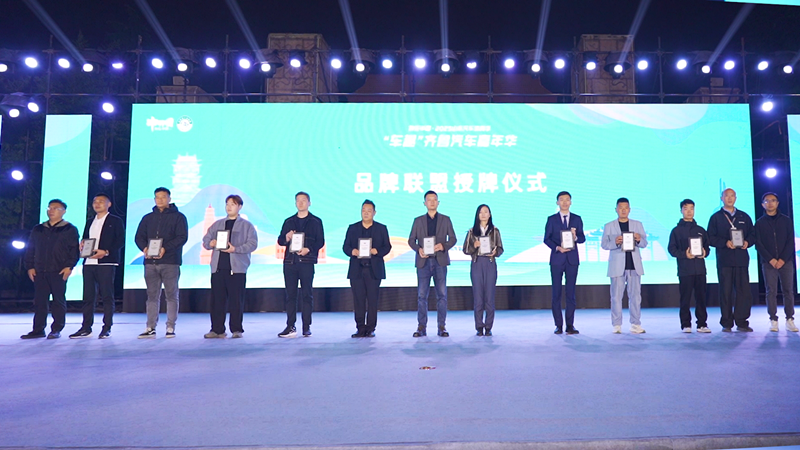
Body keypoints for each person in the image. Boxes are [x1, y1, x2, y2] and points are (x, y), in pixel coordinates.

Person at [20, 199, 80, 340]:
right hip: (40, 270)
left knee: (58, 301)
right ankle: (38, 329)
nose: (51, 210)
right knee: (40, 301)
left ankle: (56, 329)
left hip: (59, 270)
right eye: (49, 208)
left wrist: (69, 266)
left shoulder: (69, 229)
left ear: (63, 211)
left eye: (55, 208)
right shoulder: (39, 229)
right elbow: (31, 248)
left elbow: (74, 250)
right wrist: (30, 266)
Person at [134, 187, 188, 338]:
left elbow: (182, 237)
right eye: (157, 197)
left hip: (170, 262)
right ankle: (150, 327)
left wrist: (165, 248)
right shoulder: (148, 218)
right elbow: (139, 237)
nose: (160, 200)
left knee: (171, 295)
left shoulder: (179, 217)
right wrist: (144, 248)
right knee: (152, 296)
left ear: (169, 199)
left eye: (163, 197)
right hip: (150, 263)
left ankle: (170, 327)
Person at [201, 195, 258, 339]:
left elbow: (252, 244)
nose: (229, 207)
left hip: (236, 269)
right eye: (227, 204)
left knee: (236, 301)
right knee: (217, 301)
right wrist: (210, 243)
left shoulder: (247, 226)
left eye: (233, 204)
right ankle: (217, 329)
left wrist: (235, 249)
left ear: (240, 207)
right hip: (218, 268)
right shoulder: (217, 224)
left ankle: (237, 329)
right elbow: (206, 240)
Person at [69, 193, 125, 339]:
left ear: (109, 204)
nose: (97, 204)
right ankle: (86, 327)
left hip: (106, 262)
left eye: (101, 201)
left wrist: (106, 252)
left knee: (107, 296)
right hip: (89, 262)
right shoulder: (90, 221)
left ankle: (107, 327)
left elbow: (120, 240)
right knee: (88, 296)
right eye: (95, 201)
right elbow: (86, 238)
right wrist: (82, 243)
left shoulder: (115, 220)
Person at [408, 190, 457, 337]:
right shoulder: (418, 221)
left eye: (434, 199)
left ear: (438, 202)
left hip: (440, 261)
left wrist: (443, 246)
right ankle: (421, 327)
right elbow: (411, 240)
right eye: (429, 200)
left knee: (442, 295)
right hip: (423, 262)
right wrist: (419, 249)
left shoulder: (446, 219)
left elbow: (453, 239)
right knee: (422, 296)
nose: (432, 202)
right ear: (424, 203)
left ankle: (442, 327)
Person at [276, 192, 325, 338]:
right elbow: (280, 241)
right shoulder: (288, 221)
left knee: (307, 295)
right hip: (290, 262)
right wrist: (286, 237)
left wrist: (308, 249)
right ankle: (290, 326)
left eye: (304, 200)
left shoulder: (315, 221)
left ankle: (306, 326)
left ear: (309, 203)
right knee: (290, 295)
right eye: (298, 200)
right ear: (295, 203)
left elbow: (320, 241)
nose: (301, 203)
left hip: (307, 262)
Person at [707, 188, 755, 332]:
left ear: (736, 198)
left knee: (743, 292)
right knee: (726, 292)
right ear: (721, 198)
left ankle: (742, 322)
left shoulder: (744, 216)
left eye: (732, 196)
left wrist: (747, 242)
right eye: (726, 196)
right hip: (725, 260)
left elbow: (753, 234)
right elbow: (710, 238)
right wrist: (725, 243)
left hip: (741, 259)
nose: (729, 198)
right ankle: (727, 323)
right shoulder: (716, 217)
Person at [343, 200, 392, 338]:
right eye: (363, 210)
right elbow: (345, 247)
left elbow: (387, 247)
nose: (366, 213)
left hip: (373, 270)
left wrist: (378, 251)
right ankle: (360, 328)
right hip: (357, 270)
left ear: (374, 213)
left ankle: (370, 328)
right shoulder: (353, 228)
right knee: (358, 300)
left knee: (372, 300)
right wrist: (352, 251)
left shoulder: (381, 228)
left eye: (369, 211)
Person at [601, 198, 647, 334]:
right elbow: (604, 245)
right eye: (620, 207)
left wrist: (638, 239)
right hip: (617, 265)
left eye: (626, 207)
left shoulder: (637, 224)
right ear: (616, 209)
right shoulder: (609, 226)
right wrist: (615, 242)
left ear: (629, 210)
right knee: (616, 297)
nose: (623, 210)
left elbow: (644, 243)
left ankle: (635, 324)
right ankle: (616, 324)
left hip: (634, 265)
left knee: (635, 297)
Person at [754, 192, 798, 332]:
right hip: (769, 263)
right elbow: (758, 244)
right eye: (767, 201)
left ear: (777, 203)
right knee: (771, 291)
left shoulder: (786, 221)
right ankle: (773, 319)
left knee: (788, 291)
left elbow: (790, 241)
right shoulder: (759, 223)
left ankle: (790, 319)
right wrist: (771, 259)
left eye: (773, 200)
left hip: (786, 262)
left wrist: (782, 259)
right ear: (763, 204)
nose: (770, 203)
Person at [543, 191, 586, 335]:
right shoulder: (552, 219)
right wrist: (557, 248)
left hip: (572, 260)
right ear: (557, 202)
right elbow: (547, 239)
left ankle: (570, 325)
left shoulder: (577, 219)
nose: (565, 202)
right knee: (556, 293)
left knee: (571, 293)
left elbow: (582, 238)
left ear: (571, 202)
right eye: (561, 200)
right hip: (557, 258)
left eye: (567, 200)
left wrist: (575, 237)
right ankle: (558, 325)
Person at [668, 199, 712, 333]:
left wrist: (705, 252)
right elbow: (672, 249)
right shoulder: (676, 231)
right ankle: (686, 324)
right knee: (685, 299)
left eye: (691, 209)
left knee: (701, 298)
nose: (689, 211)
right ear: (681, 210)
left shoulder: (700, 230)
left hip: (700, 270)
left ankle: (702, 324)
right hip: (685, 270)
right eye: (686, 208)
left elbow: (707, 248)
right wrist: (684, 254)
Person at [462, 204, 504, 336]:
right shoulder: (472, 232)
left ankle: (488, 327)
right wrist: (474, 246)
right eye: (481, 212)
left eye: (486, 212)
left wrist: (496, 252)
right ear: (477, 215)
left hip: (490, 263)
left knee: (489, 297)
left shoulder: (495, 231)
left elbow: (501, 249)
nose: (484, 214)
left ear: (490, 214)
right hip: (477, 263)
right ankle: (479, 326)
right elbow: (465, 250)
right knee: (478, 297)